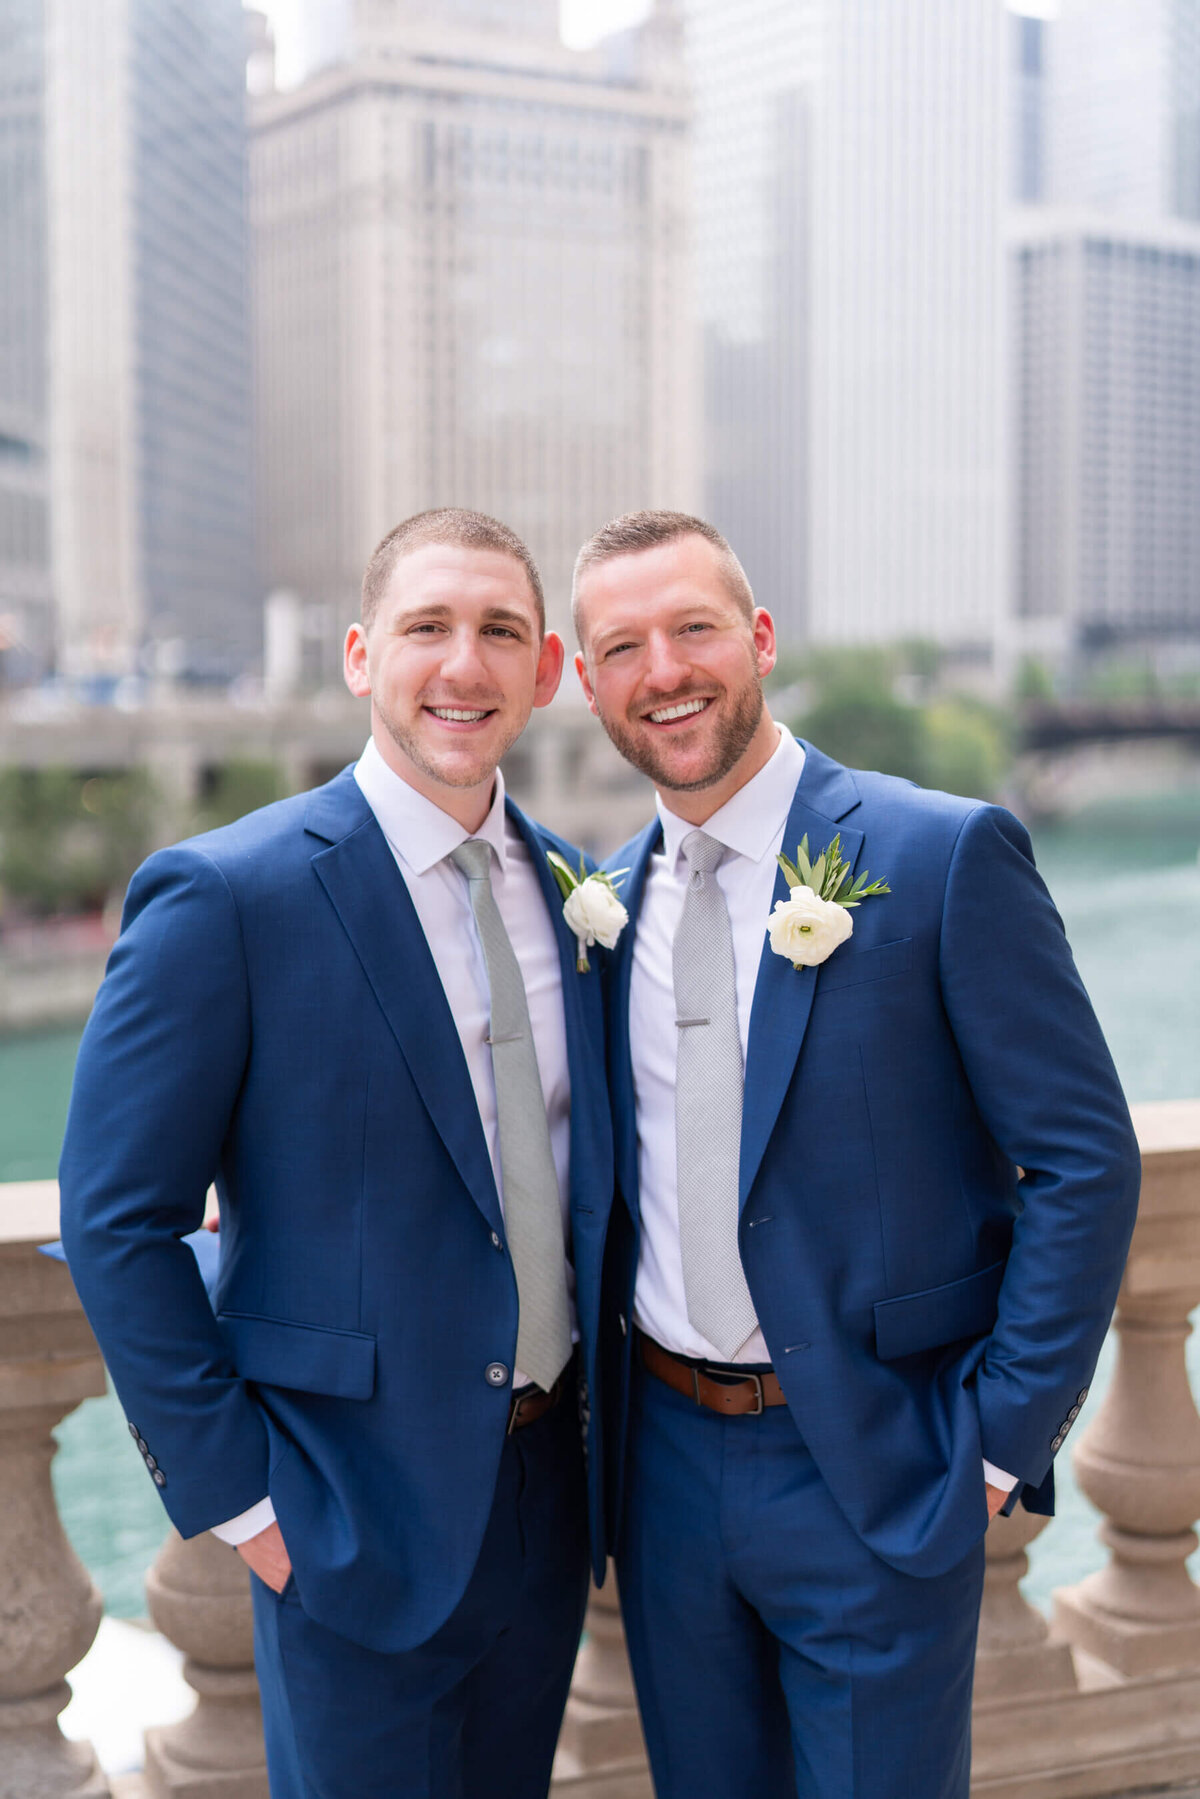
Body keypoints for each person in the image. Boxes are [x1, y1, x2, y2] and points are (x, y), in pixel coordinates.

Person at [570, 509, 1140, 1799]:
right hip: (659, 1471)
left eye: (693, 627)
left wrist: (997, 1445)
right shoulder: (598, 905)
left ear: (759, 638)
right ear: (587, 680)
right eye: (622, 646)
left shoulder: (941, 857)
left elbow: (1084, 1159)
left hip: (878, 1467)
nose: (664, 669)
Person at [60, 510, 614, 1799]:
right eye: (428, 627)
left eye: (501, 633)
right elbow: (117, 1220)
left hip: (548, 1499)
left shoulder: (582, 890)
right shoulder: (225, 896)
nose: (463, 664)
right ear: (363, 656)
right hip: (344, 1514)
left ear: (546, 675)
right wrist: (244, 1507)